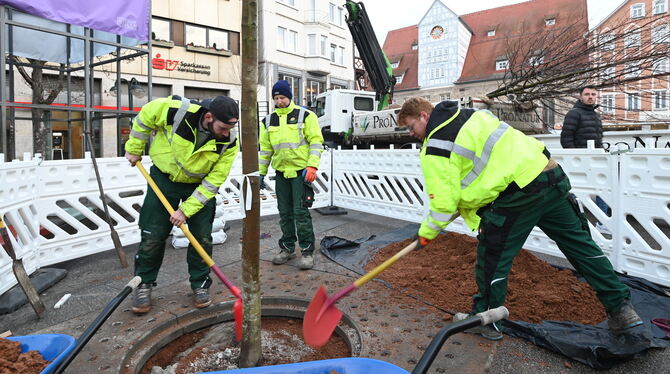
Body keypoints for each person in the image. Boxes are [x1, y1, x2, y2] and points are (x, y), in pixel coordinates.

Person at [397, 97, 643, 341]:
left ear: (424, 116)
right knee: (582, 248)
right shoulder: (474, 114)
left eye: (411, 126)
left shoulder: (436, 147)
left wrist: (426, 234)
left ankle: (487, 320)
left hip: (518, 196)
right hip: (550, 175)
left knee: (492, 258)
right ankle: (622, 310)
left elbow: (442, 205)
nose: (411, 134)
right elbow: (490, 161)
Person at [124, 95, 239, 314]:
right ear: (208, 117)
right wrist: (135, 146)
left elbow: (214, 181)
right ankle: (144, 284)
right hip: (163, 179)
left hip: (197, 186)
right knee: (152, 234)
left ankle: (200, 284)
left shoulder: (230, 141)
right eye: (223, 127)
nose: (226, 133)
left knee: (201, 237)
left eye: (230, 128)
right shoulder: (176, 111)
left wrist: (186, 210)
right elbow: (146, 116)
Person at [259, 80, 324, 270]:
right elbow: (265, 150)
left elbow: (316, 142)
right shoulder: (268, 121)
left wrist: (312, 166)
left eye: (283, 97)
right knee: (285, 213)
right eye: (276, 98)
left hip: (301, 174)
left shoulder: (306, 116)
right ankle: (287, 248)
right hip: (281, 174)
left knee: (301, 213)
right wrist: (261, 173)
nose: (279, 101)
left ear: (290, 97)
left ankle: (307, 251)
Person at [560, 86, 611, 235]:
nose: (590, 97)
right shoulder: (574, 114)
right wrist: (576, 157)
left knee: (603, 189)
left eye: (593, 94)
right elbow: (566, 138)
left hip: (597, 159)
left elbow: (598, 138)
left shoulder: (595, 115)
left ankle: (603, 222)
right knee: (578, 192)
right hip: (580, 160)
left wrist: (602, 154)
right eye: (587, 94)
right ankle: (576, 222)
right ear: (580, 96)